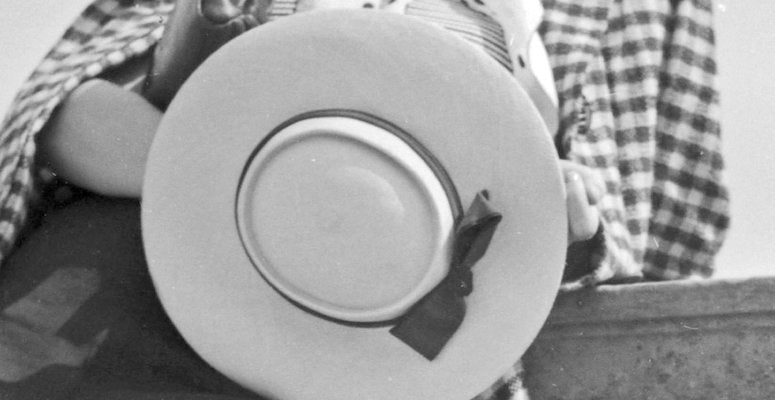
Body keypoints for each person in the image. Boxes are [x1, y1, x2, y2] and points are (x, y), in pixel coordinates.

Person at [0, 0, 729, 399]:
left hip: (374, 350)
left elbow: (633, 227)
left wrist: (555, 221)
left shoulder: (558, 37)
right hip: (105, 314)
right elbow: (69, 117)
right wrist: (253, 183)